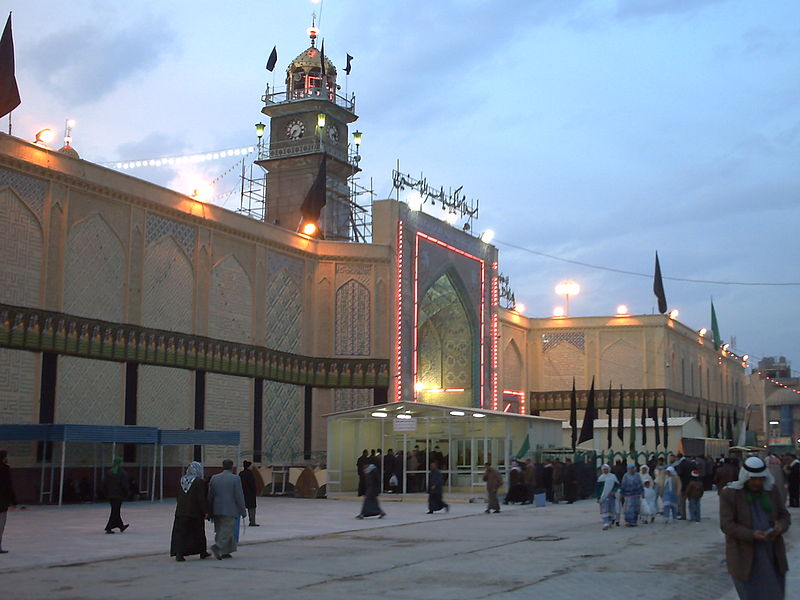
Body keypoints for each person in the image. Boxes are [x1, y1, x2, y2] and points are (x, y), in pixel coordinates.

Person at [720, 456, 791, 599]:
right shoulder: (731, 493)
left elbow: (784, 515)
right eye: (753, 479)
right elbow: (727, 525)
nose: (757, 482)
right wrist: (751, 534)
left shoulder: (771, 490)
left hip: (772, 553)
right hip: (745, 556)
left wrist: (780, 526)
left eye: (760, 479)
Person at [170, 461, 211, 562]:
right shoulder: (198, 482)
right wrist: (206, 511)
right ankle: (202, 552)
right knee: (198, 533)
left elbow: (178, 496)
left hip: (181, 512)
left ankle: (179, 553)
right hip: (194, 512)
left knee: (181, 533)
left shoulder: (182, 480)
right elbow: (201, 498)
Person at [207, 459, 247, 560]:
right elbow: (239, 495)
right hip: (230, 508)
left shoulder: (214, 478)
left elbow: (210, 495)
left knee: (220, 530)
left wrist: (209, 509)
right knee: (228, 530)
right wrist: (243, 510)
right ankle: (218, 547)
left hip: (216, 508)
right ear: (232, 467)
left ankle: (226, 552)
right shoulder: (235, 478)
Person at [103, 456, 130, 534]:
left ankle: (121, 526)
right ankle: (108, 528)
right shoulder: (122, 473)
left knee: (116, 510)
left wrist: (106, 493)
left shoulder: (109, 472)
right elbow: (124, 485)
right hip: (119, 495)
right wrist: (126, 493)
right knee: (115, 511)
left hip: (110, 495)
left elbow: (104, 484)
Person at [0, 450, 17, 553]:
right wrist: (14, 501)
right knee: (1, 524)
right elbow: (8, 486)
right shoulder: (5, 469)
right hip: (1, 501)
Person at [596, 464, 619, 530]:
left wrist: (614, 491)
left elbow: (617, 485)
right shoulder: (601, 478)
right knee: (604, 509)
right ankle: (605, 523)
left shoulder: (613, 476)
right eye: (604, 469)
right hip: (603, 496)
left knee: (611, 509)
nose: (605, 470)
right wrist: (598, 497)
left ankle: (610, 522)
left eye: (606, 469)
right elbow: (598, 488)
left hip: (611, 495)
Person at [238, 460, 259, 526]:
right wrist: (255, 491)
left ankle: (236, 521)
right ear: (248, 466)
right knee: (252, 508)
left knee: (240, 506)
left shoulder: (241, 473)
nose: (252, 467)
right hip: (250, 493)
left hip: (242, 493)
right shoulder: (250, 474)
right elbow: (252, 484)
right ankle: (252, 521)